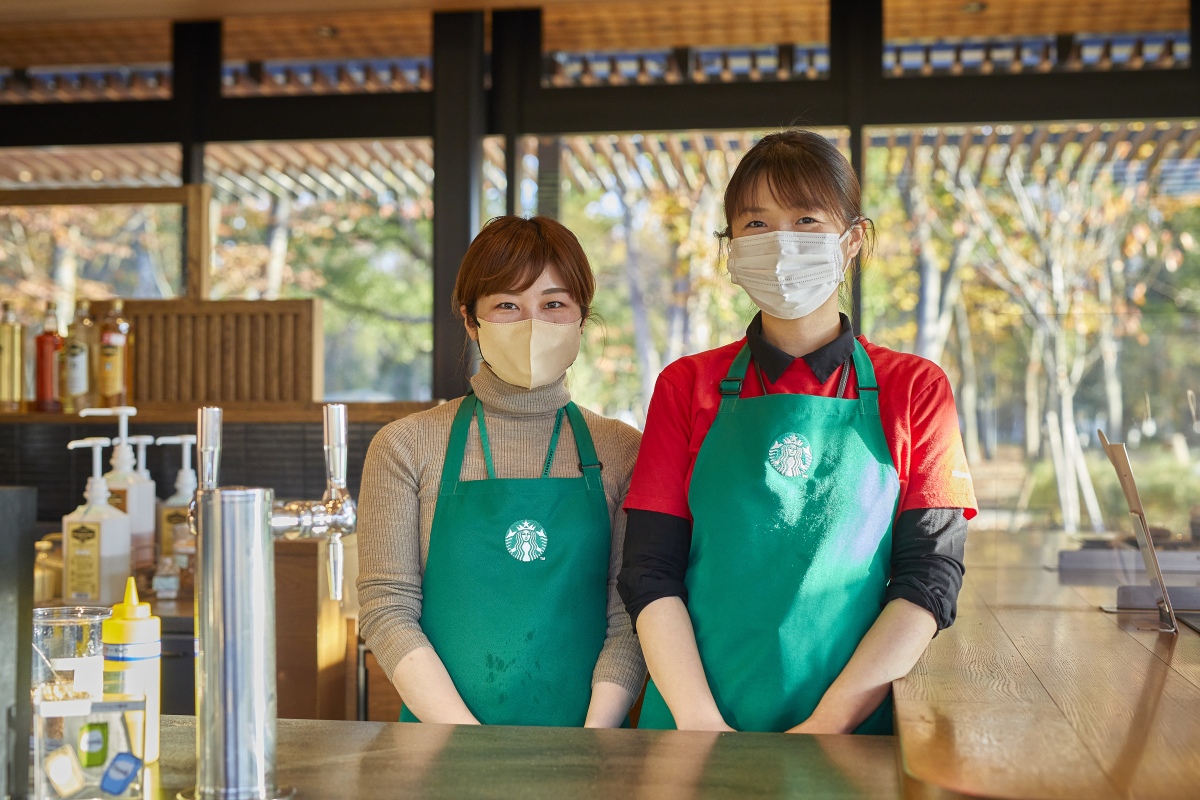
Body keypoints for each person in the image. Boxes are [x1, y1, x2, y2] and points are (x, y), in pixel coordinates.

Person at [618, 130, 977, 734]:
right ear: (731, 247)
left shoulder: (915, 389)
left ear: (853, 240)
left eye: (806, 220)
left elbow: (930, 577)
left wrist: (827, 726)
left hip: (851, 734)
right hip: (691, 727)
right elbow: (649, 571)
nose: (781, 244)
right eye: (756, 224)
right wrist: (701, 723)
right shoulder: (686, 385)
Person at [357, 216, 646, 727]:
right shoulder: (405, 446)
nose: (532, 324)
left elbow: (629, 615)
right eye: (507, 306)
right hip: (442, 742)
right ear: (471, 320)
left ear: (582, 317)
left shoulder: (622, 450)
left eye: (553, 304)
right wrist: (464, 739)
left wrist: (594, 739)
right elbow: (387, 607)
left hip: (589, 745)